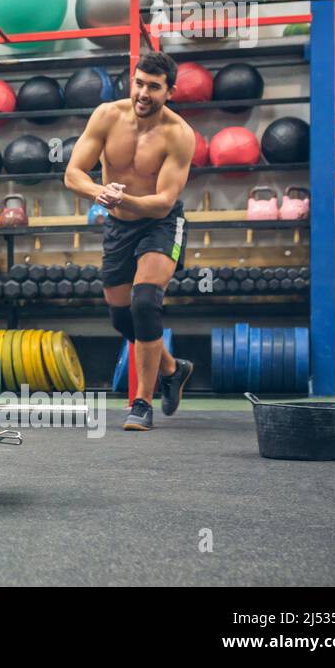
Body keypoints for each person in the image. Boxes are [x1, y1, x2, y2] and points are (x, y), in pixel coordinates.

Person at [64, 51, 195, 431]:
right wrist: (99, 193)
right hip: (119, 225)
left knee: (145, 301)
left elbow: (163, 203)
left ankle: (142, 402)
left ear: (169, 91)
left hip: (160, 223)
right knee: (121, 316)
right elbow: (73, 173)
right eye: (139, 83)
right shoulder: (107, 116)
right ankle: (173, 368)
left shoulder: (179, 135)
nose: (143, 93)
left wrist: (123, 198)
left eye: (154, 87)